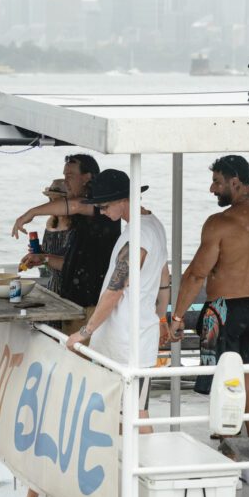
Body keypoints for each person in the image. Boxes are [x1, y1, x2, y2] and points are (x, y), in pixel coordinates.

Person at [169, 156, 249, 448]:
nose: (212, 189)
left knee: (223, 381)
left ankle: (228, 449)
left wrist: (177, 317)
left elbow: (196, 274)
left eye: (217, 182)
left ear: (236, 182)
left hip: (221, 310)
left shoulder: (219, 223)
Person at [65, 169, 169, 425]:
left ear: (124, 200)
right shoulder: (153, 225)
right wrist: (161, 317)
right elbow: (163, 277)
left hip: (128, 340)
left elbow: (115, 290)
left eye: (104, 205)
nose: (101, 212)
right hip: (133, 335)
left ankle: (144, 465)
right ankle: (130, 464)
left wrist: (85, 332)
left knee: (135, 413)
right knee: (126, 413)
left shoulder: (138, 235)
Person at [12, 154, 120, 334]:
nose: (66, 181)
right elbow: (73, 263)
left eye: (70, 176)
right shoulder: (81, 218)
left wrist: (30, 213)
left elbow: (77, 205)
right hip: (75, 305)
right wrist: (43, 258)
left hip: (91, 308)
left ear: (87, 177)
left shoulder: (101, 205)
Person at [38, 179, 71, 295]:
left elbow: (73, 263)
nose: (51, 203)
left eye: (56, 200)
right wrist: (40, 251)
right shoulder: (51, 222)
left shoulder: (78, 226)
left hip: (71, 289)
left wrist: (44, 257)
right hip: (52, 286)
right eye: (50, 199)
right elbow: (53, 253)